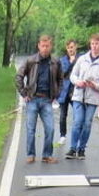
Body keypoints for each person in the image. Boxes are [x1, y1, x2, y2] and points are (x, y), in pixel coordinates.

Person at [16, 34, 63, 164]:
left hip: (47, 100)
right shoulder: (31, 61)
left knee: (50, 128)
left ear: (51, 46)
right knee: (30, 129)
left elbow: (60, 79)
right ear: (38, 46)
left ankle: (47, 155)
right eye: (43, 46)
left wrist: (57, 94)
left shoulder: (55, 62)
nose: (45, 48)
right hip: (32, 99)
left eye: (47, 46)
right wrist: (23, 93)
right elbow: (19, 76)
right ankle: (31, 154)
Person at [65, 33, 99, 160]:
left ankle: (81, 149)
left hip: (93, 97)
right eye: (92, 44)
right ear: (90, 44)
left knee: (87, 123)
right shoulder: (82, 59)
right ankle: (73, 148)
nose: (94, 46)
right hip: (79, 95)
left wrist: (96, 85)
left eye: (97, 44)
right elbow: (73, 75)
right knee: (77, 122)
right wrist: (78, 81)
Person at [56, 39, 79, 146]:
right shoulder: (62, 60)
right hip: (64, 92)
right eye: (69, 47)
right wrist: (71, 62)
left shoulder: (81, 60)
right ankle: (62, 135)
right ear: (67, 48)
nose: (71, 49)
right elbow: (62, 74)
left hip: (75, 92)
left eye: (72, 47)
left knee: (77, 116)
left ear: (76, 47)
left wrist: (75, 61)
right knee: (62, 116)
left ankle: (76, 137)